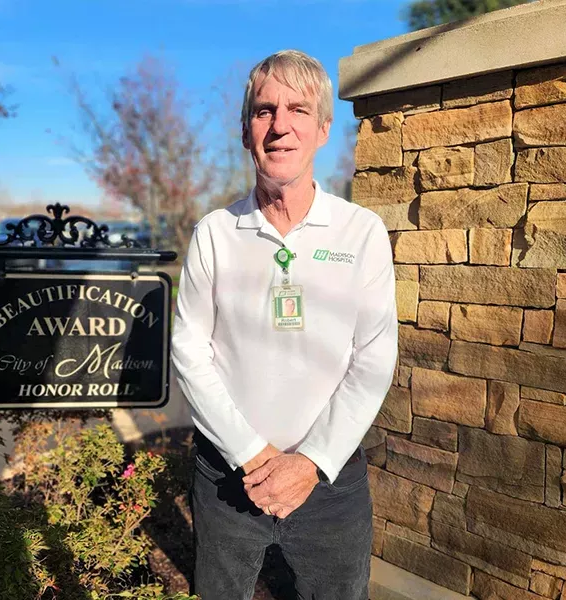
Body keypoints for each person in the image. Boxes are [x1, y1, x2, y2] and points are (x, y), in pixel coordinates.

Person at [170, 49, 398, 600]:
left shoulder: (360, 232)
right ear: (246, 132)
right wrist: (251, 452)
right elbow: (188, 349)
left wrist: (310, 462)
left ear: (322, 129)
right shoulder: (215, 234)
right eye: (264, 110)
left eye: (298, 109)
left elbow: (373, 356)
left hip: (329, 479)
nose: (280, 125)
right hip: (228, 474)